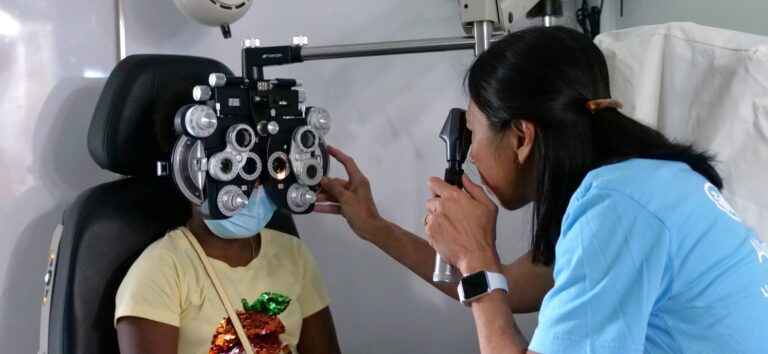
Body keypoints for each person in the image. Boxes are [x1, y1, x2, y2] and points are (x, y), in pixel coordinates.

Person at [316, 26, 768, 353]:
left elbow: (489, 285)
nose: (469, 155)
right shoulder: (646, 181)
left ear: (521, 137)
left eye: (472, 133)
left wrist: (476, 257)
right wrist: (374, 227)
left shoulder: (617, 209)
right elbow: (506, 286)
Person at [114, 90, 341, 354]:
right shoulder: (162, 271)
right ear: (193, 171)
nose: (255, 185)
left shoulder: (293, 255)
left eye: (264, 166)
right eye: (235, 169)